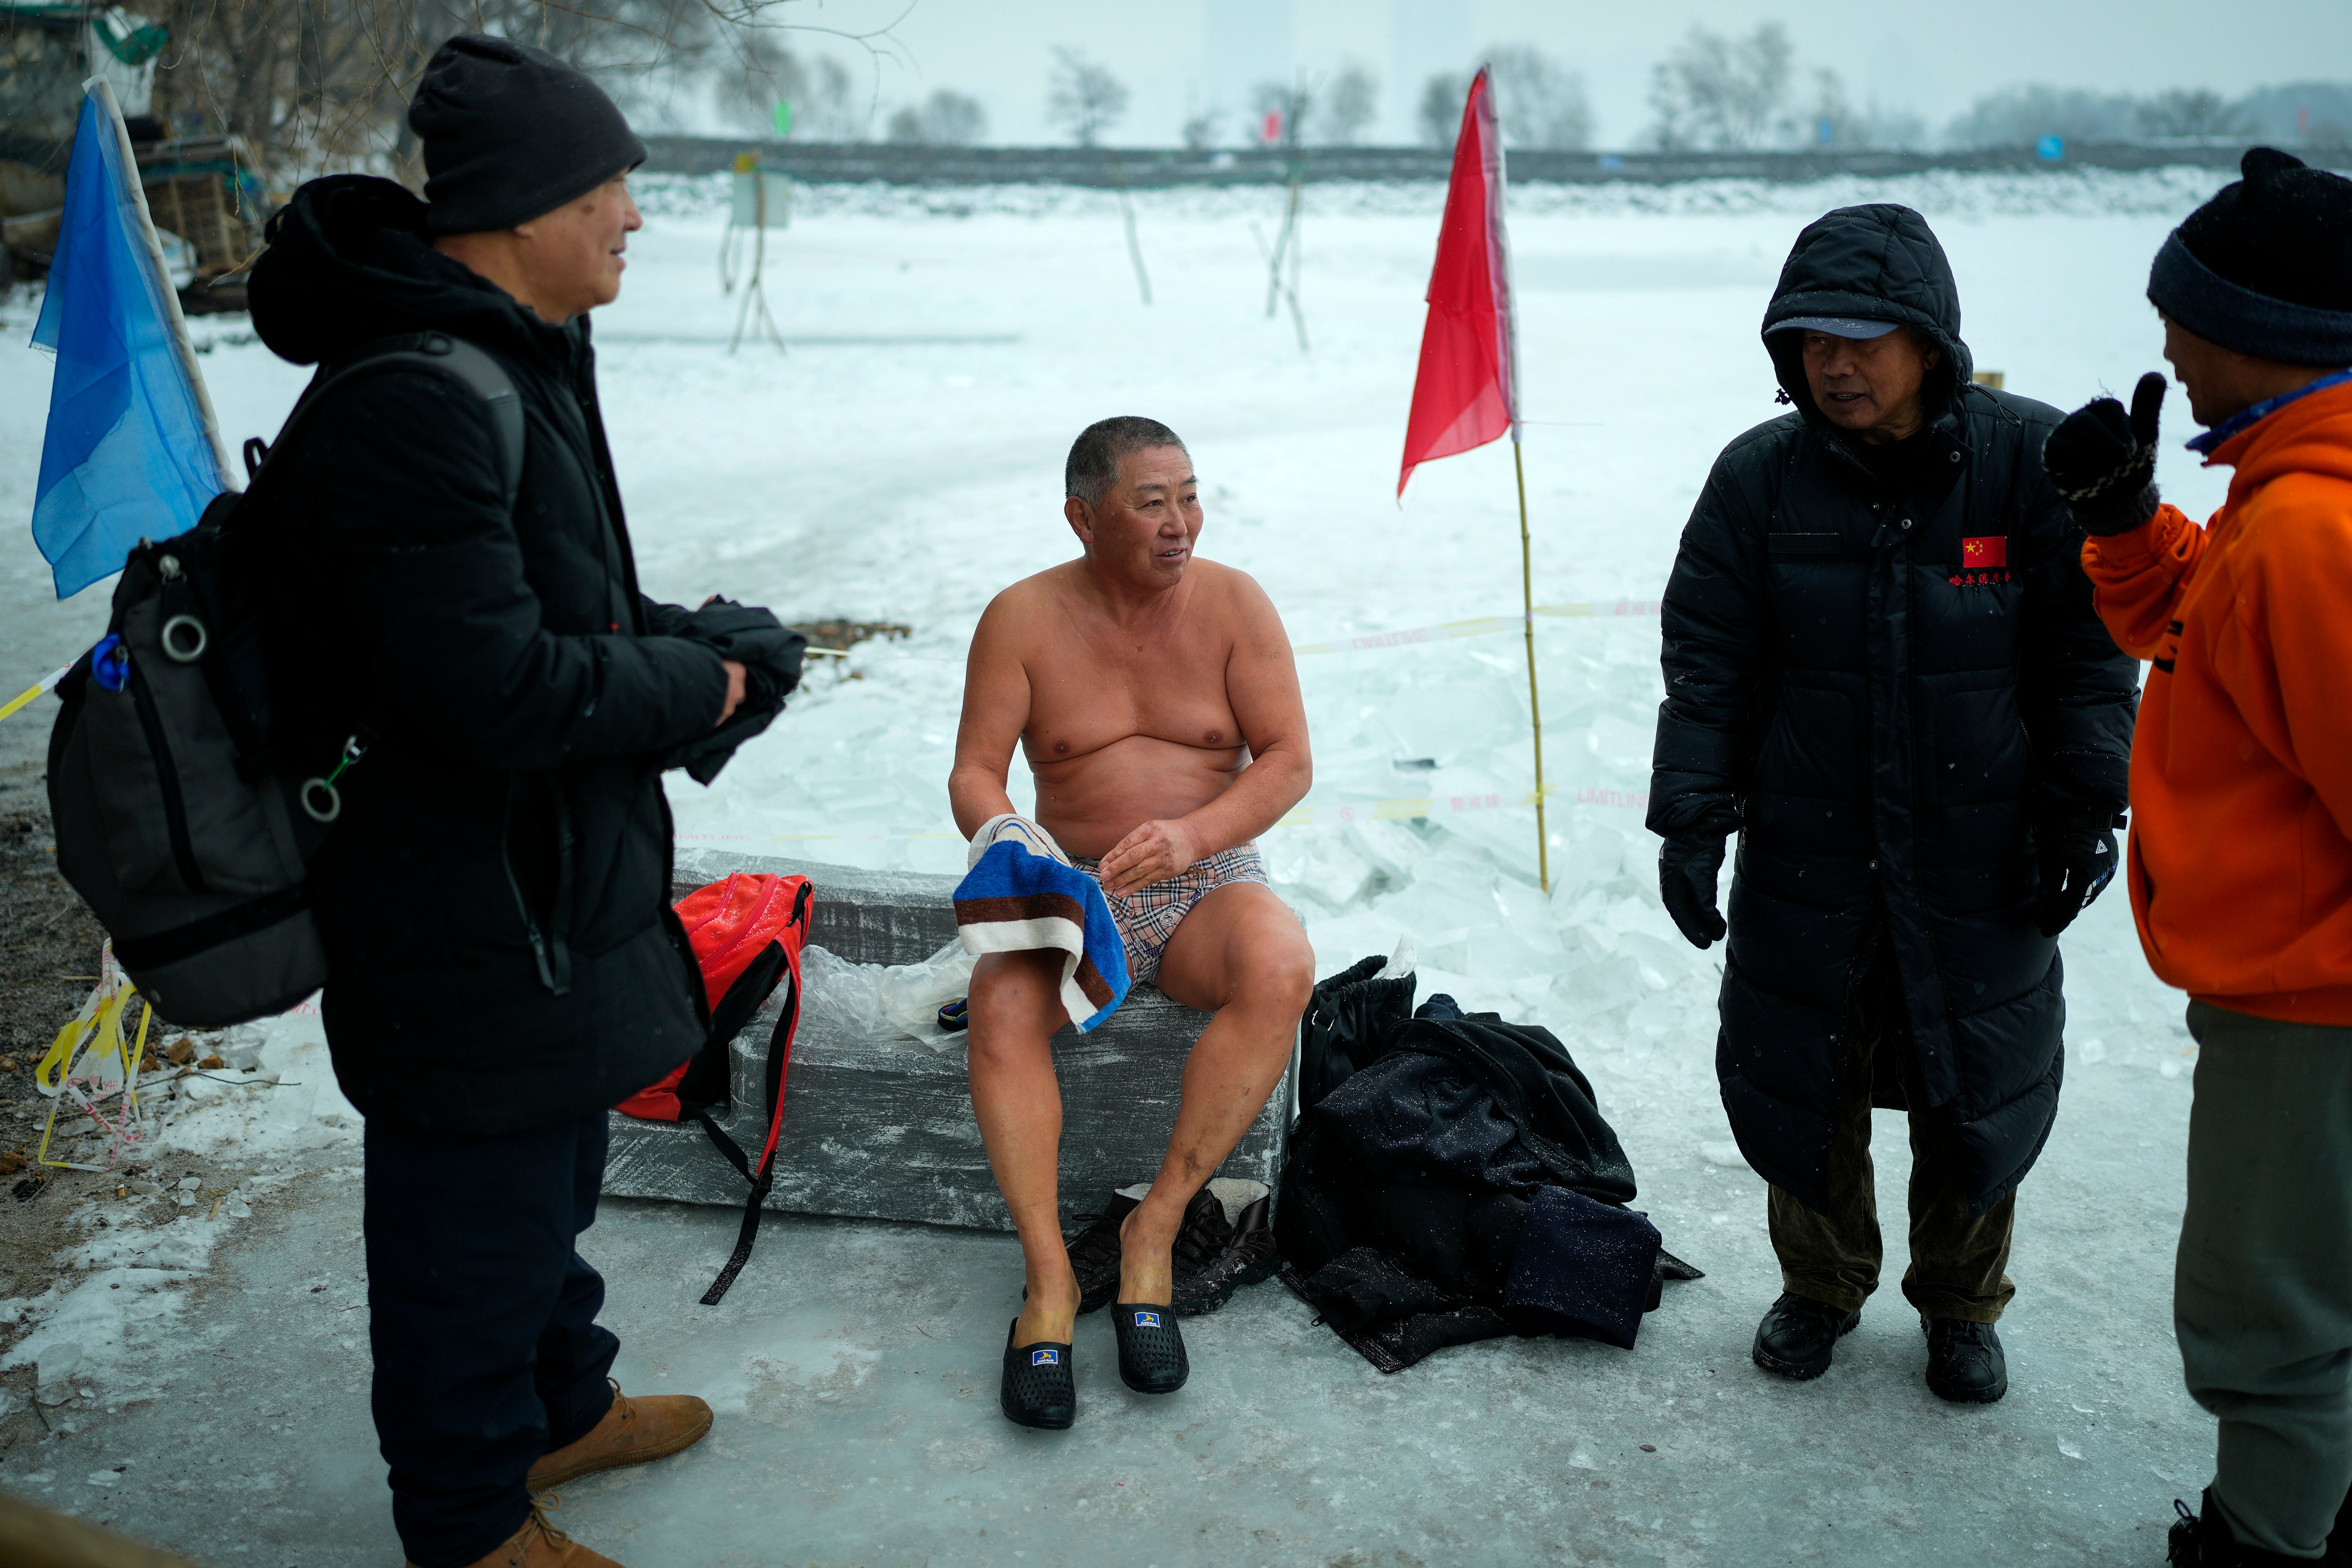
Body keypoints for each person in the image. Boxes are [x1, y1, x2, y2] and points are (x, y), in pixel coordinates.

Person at [246, 35, 800, 1568]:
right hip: (460, 906)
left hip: (547, 889)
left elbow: (553, 603)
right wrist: (710, 693)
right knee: (466, 1234)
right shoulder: (416, 397)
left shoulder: (509, 358)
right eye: (609, 184)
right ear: (522, 206)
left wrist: (699, 635)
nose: (632, 214)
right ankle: (473, 1523)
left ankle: (562, 1406)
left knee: (545, 1179)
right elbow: (486, 689)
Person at [1647, 203, 2138, 1405]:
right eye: (1812, 337)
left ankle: (1963, 1306)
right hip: (1810, 848)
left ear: (1929, 342)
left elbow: (2088, 659)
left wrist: (2086, 808)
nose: (1836, 361)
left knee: (1973, 1082)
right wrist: (1695, 817)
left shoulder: (2027, 463)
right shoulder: (1758, 479)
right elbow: (1708, 657)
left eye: (1865, 337)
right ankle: (1819, 1287)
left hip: (1983, 850)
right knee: (1803, 1072)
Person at [2045, 148, 2352, 1568]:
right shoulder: (2288, 490)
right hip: (2305, 990)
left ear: (2263, 335)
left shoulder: (2308, 529)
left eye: (2182, 314)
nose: (2162, 339)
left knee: (2269, 1311)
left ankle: (2267, 1543)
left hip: (2314, 1010)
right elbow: (2204, 635)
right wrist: (2126, 528)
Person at [948, 416, 1316, 1426]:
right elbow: (977, 769)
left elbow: (1287, 758)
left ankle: (1154, 1233)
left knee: (1282, 965)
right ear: (1082, 517)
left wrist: (1197, 836)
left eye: (1190, 496)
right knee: (1001, 1008)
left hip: (1209, 877)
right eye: (1150, 503)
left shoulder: (1236, 605)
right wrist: (1011, 840)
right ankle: (1051, 1282)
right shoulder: (1021, 618)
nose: (1179, 523)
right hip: (1077, 885)